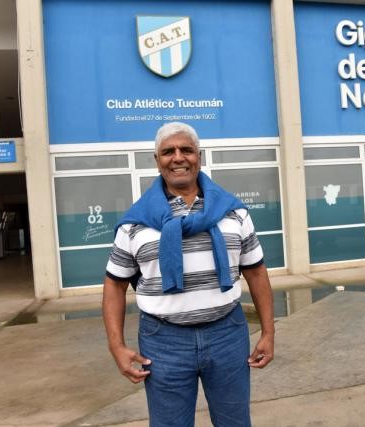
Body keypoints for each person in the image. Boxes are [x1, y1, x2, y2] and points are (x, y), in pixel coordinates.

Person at [102, 122, 275, 426]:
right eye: (168, 151)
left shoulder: (234, 213)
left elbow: (257, 273)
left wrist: (269, 332)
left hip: (227, 334)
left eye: (186, 150)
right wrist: (116, 345)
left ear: (199, 156)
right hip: (163, 342)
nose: (178, 157)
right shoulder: (135, 223)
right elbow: (115, 286)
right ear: (157, 160)